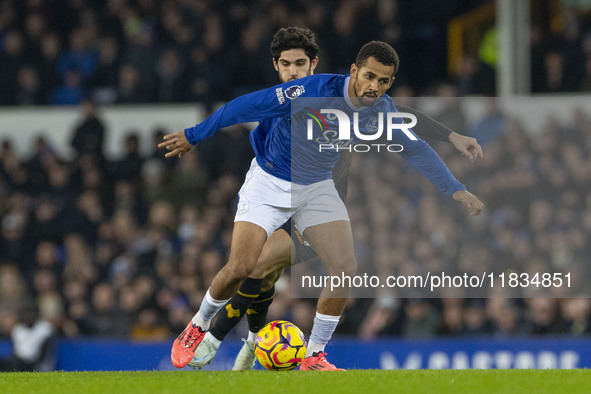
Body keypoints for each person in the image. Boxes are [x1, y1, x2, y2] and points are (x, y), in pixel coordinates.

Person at [160, 38, 484, 371]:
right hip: (270, 183)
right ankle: (197, 328)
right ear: (355, 71)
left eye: (383, 81)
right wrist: (194, 135)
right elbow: (246, 107)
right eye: (369, 77)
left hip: (316, 187)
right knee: (243, 268)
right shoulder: (313, 90)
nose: (374, 86)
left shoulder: (381, 108)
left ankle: (313, 355)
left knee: (346, 268)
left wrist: (454, 188)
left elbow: (415, 146)